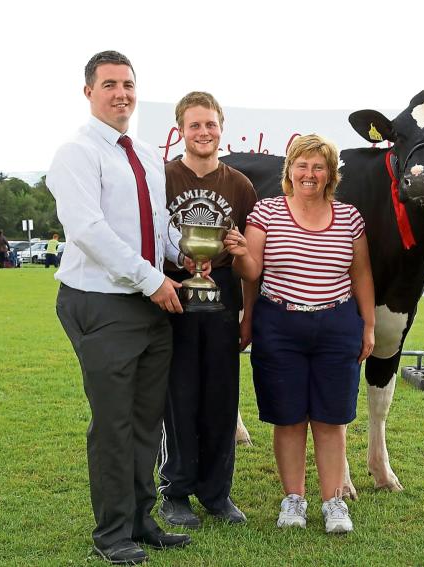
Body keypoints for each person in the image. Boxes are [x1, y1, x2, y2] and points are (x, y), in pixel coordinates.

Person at [46, 50, 196, 565]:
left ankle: (141, 519)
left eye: (128, 84)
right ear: (88, 91)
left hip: (150, 301)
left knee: (145, 421)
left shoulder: (146, 153)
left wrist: (191, 253)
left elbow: (157, 226)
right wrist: (154, 280)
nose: (121, 93)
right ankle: (111, 532)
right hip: (102, 301)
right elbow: (88, 231)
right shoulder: (77, 153)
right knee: (113, 422)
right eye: (109, 84)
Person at [229, 134, 375, 534]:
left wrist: (369, 324)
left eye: (319, 166)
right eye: (302, 165)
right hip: (280, 325)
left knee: (331, 420)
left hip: (337, 324)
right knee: (289, 419)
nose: (310, 174)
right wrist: (240, 253)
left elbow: (360, 273)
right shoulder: (266, 212)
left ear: (330, 174)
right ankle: (293, 499)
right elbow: (252, 273)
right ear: (289, 171)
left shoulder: (349, 217)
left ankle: (333, 503)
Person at [157, 92, 257, 528]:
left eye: (210, 125)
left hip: (222, 303)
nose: (203, 133)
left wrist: (247, 314)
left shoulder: (239, 185)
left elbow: (250, 261)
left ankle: (218, 494)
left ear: (222, 128)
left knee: (221, 398)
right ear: (180, 129)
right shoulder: (160, 178)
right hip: (174, 299)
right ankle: (176, 492)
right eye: (194, 125)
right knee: (178, 399)